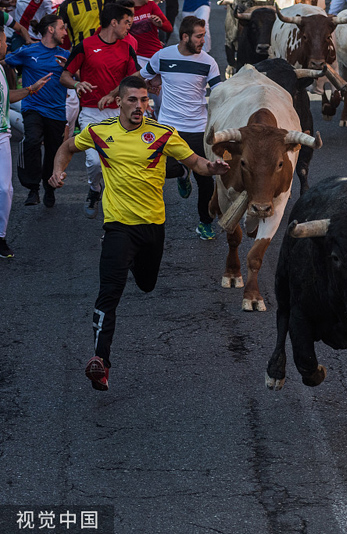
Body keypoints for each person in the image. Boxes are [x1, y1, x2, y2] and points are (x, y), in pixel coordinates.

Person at [48, 76, 229, 390]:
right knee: (109, 294)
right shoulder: (100, 132)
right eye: (132, 100)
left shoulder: (162, 134)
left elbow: (195, 161)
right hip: (118, 227)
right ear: (118, 101)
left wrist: (211, 168)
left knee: (146, 284)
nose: (140, 106)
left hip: (152, 228)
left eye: (144, 100)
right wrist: (58, 170)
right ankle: (100, 362)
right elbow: (67, 147)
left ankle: (132, 263)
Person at [139, 16, 221, 240]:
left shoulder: (208, 62)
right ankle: (183, 172)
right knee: (162, 172)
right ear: (185, 37)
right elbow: (140, 78)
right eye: (199, 36)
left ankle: (205, 222)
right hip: (168, 128)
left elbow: (221, 92)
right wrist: (127, 93)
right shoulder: (163, 56)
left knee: (206, 179)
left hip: (198, 128)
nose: (203, 40)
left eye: (204, 36)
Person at [60, 2, 138, 219]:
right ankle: (94, 189)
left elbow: (134, 78)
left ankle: (118, 208)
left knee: (120, 161)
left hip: (119, 114)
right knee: (95, 161)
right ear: (113, 23)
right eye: (125, 23)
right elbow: (65, 75)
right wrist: (76, 84)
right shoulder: (85, 46)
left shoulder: (127, 47)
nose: (128, 28)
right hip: (91, 112)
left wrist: (114, 94)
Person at [3, 15, 69, 208]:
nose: (65, 32)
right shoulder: (27, 51)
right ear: (50, 29)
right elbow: (5, 62)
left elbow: (77, 78)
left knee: (53, 152)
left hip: (56, 112)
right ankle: (32, 189)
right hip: (33, 108)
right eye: (62, 28)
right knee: (31, 139)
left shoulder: (65, 54)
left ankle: (49, 189)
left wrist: (67, 69)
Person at [0, 30, 52, 258]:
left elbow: (7, 97)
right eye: (4, 41)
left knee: (5, 189)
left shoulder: (1, 69)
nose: (6, 45)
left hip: (2, 135)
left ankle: (0, 237)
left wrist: (31, 89)